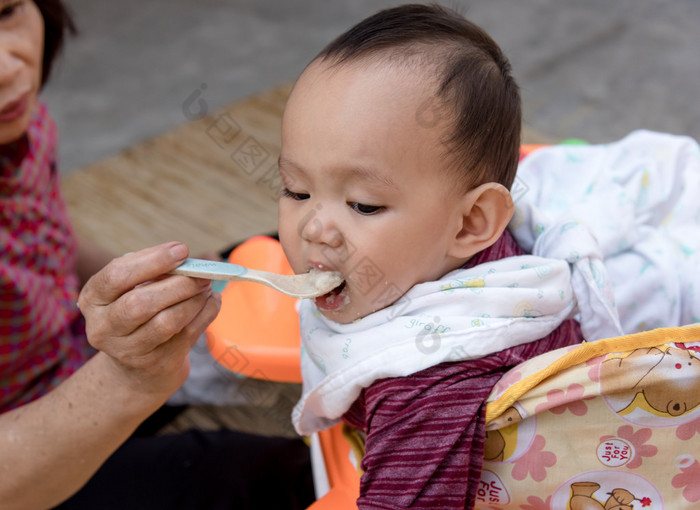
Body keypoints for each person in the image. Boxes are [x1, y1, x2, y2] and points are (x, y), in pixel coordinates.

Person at [0, 1, 313, 509]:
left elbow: (43, 229)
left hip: (76, 353)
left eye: (9, 11)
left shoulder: (21, 121)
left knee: (298, 257)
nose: (9, 67)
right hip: (28, 457)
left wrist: (133, 279)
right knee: (292, 479)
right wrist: (127, 379)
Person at [276, 4, 585, 508]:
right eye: (295, 190)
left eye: (364, 205)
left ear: (472, 222)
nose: (314, 228)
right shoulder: (450, 254)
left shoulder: (426, 387)